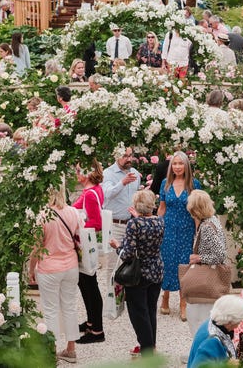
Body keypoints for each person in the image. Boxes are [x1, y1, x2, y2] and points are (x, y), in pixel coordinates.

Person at [28, 185, 82, 364]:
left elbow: (37, 247)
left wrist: (30, 269)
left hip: (49, 267)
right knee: (70, 306)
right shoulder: (73, 212)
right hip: (71, 265)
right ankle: (71, 349)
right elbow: (79, 237)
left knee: (50, 310)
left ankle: (51, 352)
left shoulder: (43, 215)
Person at [109, 189, 164, 357]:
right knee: (150, 310)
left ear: (136, 206)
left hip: (138, 274)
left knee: (139, 313)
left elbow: (127, 254)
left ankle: (147, 351)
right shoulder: (159, 221)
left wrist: (117, 246)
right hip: (156, 270)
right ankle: (150, 345)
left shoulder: (134, 224)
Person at [158, 151, 201, 321]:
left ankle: (183, 303)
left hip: (186, 229)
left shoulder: (194, 184)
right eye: (174, 164)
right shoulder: (165, 183)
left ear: (186, 166)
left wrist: (198, 233)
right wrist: (156, 225)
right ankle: (166, 296)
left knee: (185, 265)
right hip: (168, 229)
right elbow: (162, 208)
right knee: (167, 262)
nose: (177, 167)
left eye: (180, 163)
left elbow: (197, 211)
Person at [185, 190, 228, 335]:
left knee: (198, 318)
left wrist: (199, 258)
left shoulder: (207, 227)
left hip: (206, 278)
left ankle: (200, 352)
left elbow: (221, 254)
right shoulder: (213, 220)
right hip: (209, 277)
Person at [71, 159, 105, 344]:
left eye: (78, 170)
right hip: (85, 243)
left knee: (90, 286)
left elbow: (97, 223)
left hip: (85, 243)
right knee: (86, 285)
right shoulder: (94, 190)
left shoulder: (90, 194)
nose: (77, 174)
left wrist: (78, 224)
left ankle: (97, 330)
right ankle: (92, 321)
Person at [187, 295, 243, 368]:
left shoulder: (211, 322)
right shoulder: (211, 342)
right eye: (239, 321)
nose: (239, 325)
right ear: (229, 322)